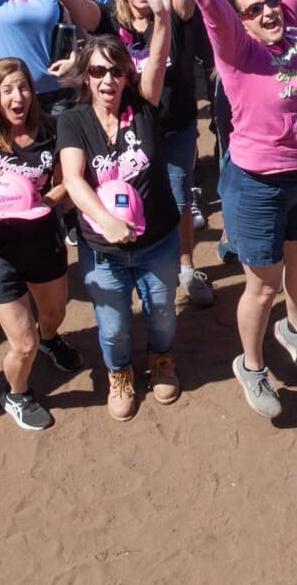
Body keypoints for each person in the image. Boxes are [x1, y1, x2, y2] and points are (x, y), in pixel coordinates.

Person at [177, 0, 297, 419]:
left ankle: (296, 330)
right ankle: (251, 366)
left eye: (270, 3)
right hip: (258, 184)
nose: (268, 11)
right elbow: (218, 16)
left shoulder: (291, 30)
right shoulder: (239, 51)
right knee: (262, 286)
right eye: (255, 9)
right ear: (241, 22)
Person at [0, 58, 88, 431]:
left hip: (43, 239)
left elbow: (66, 183)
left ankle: (51, 339)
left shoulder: (53, 129)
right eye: (7, 90)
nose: (18, 96)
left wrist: (43, 201)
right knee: (23, 344)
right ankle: (16, 394)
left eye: (24, 87)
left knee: (54, 316)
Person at [58, 25, 183, 421]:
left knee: (162, 310)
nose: (107, 80)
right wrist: (105, 222)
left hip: (158, 241)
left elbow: (160, 56)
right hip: (103, 250)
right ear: (85, 77)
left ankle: (160, 360)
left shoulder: (144, 106)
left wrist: (163, 13)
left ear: (128, 74)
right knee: (112, 325)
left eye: (115, 70)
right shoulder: (73, 121)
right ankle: (120, 374)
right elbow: (73, 179)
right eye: (97, 72)